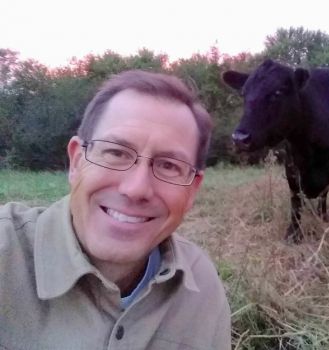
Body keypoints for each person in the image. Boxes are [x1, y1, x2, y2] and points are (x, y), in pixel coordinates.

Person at [0, 70, 231, 349]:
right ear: (76, 161)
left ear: (192, 189)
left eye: (169, 165)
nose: (136, 189)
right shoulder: (6, 253)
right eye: (115, 153)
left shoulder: (201, 288)